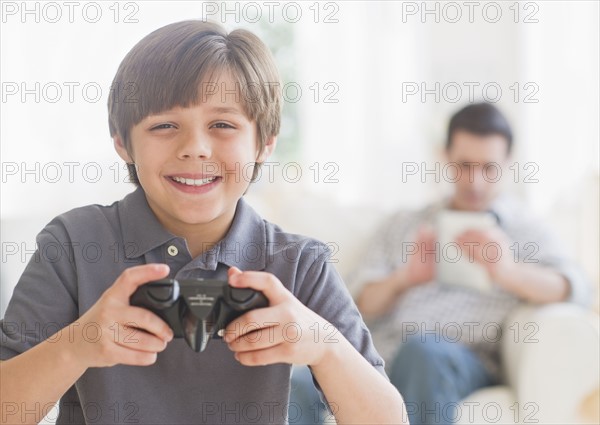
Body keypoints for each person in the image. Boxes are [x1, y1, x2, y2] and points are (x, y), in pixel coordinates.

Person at [0, 21, 406, 425]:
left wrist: (326, 347)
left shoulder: (300, 263)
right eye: (164, 126)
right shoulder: (73, 244)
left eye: (222, 125)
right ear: (123, 142)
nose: (194, 148)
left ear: (265, 143)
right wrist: (77, 345)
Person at [345, 102, 590, 425]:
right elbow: (354, 304)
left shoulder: (523, 229)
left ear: (507, 164)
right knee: (301, 382)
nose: (474, 182)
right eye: (464, 166)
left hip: (461, 362)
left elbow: (576, 288)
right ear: (445, 157)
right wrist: (404, 279)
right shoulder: (405, 224)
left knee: (425, 353)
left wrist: (509, 271)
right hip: (383, 358)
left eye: (488, 168)